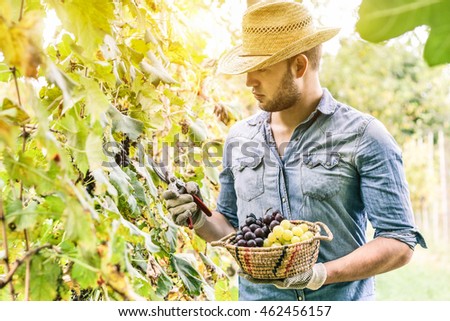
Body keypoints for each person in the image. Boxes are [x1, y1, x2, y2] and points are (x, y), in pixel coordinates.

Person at [162, 0, 426, 301]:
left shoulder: (365, 135)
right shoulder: (239, 138)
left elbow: (399, 241)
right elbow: (232, 229)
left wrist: (321, 274)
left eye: (261, 68)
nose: (249, 81)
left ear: (299, 65)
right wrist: (199, 218)